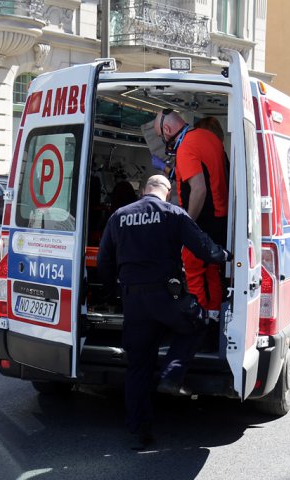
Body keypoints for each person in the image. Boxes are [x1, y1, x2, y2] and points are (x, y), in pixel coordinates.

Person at [97, 174, 230, 450]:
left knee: (138, 366)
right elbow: (203, 248)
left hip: (133, 300)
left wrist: (111, 293)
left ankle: (139, 432)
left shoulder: (119, 217)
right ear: (167, 193)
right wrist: (225, 255)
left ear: (144, 190)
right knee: (198, 323)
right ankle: (172, 374)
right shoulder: (173, 214)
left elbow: (104, 260)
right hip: (166, 297)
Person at [154, 110, 229, 321]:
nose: (164, 140)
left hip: (203, 220)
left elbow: (199, 190)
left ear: (167, 130)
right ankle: (214, 316)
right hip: (219, 220)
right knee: (212, 271)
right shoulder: (209, 138)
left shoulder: (186, 145)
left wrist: (186, 225)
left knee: (194, 271)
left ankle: (198, 321)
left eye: (162, 136)